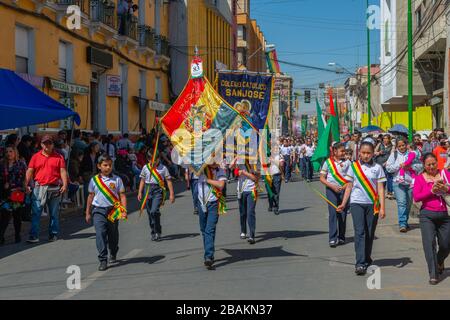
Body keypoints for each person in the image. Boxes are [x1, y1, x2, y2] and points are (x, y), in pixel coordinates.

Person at [338, 141, 386, 276]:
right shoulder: (353, 167)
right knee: (360, 232)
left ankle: (366, 257)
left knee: (370, 232)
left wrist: (382, 208)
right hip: (356, 203)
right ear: (359, 153)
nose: (366, 155)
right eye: (363, 153)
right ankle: (359, 263)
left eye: (368, 153)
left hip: (372, 204)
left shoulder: (378, 168)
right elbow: (348, 186)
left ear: (373, 154)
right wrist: (343, 203)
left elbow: (381, 188)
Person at [413, 153, 450, 285]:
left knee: (446, 244)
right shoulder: (420, 178)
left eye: (434, 163)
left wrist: (446, 188)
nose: (432, 166)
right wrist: (432, 190)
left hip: (445, 215)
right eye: (428, 165)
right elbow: (417, 197)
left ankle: (440, 260)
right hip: (427, 215)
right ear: (424, 165)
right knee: (429, 244)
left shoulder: (445, 173)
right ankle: (433, 274)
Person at [85, 155, 127, 271]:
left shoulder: (117, 179)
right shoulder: (94, 180)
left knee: (113, 234)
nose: (108, 167)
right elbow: (90, 196)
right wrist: (87, 212)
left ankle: (113, 251)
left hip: (113, 210)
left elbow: (122, 195)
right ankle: (103, 259)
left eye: (110, 165)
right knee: (100, 233)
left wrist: (123, 211)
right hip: (98, 210)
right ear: (99, 166)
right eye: (105, 165)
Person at [25, 135, 68, 243]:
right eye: (45, 143)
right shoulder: (35, 156)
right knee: (36, 213)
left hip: (54, 188)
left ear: (53, 144)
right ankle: (34, 235)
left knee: (54, 213)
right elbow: (30, 170)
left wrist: (65, 184)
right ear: (41, 144)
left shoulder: (59, 157)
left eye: (49, 143)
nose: (47, 145)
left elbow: (63, 171)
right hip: (39, 187)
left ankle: (53, 234)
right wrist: (25, 184)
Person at [138, 149, 175, 241]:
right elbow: (142, 180)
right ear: (148, 159)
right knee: (150, 213)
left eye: (155, 159)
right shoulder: (145, 168)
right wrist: (139, 192)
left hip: (158, 190)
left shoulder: (163, 168)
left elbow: (168, 181)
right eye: (150, 159)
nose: (153, 162)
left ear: (159, 159)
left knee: (154, 211)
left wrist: (171, 194)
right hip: (147, 190)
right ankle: (153, 231)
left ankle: (158, 231)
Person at [320, 142, 350, 248]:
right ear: (335, 151)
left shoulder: (348, 163)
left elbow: (351, 178)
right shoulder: (328, 162)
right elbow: (322, 178)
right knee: (333, 213)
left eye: (344, 151)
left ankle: (341, 236)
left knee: (342, 214)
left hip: (344, 190)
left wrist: (346, 186)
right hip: (331, 190)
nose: (343, 153)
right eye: (341, 151)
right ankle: (332, 238)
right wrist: (332, 186)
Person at [197, 163, 227, 269]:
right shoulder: (201, 169)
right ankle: (210, 252)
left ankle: (208, 256)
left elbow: (221, 185)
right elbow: (188, 166)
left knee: (210, 229)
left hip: (213, 203)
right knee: (204, 230)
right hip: (201, 203)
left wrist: (207, 180)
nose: (214, 162)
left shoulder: (220, 171)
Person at [386, 138, 415, 233]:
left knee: (408, 204)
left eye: (403, 145)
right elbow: (389, 168)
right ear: (397, 147)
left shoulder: (412, 154)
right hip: (398, 183)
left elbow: (420, 166)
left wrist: (410, 166)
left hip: (410, 183)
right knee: (402, 203)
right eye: (399, 146)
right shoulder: (393, 155)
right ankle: (402, 223)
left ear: (406, 145)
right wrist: (399, 165)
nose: (402, 147)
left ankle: (405, 221)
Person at [0, 146, 27, 245]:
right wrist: (4, 183)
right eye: (7, 152)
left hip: (17, 193)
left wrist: (26, 188)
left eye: (11, 151)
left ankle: (17, 235)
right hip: (5, 194)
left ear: (15, 153)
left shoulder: (21, 164)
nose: (8, 153)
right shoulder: (2, 164)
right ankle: (1, 237)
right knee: (5, 216)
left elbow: (25, 178)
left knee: (17, 215)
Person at [232, 158, 260, 244]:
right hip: (241, 191)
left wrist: (244, 172)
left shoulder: (254, 163)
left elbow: (255, 178)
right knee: (242, 212)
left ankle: (252, 235)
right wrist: (236, 159)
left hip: (251, 190)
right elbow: (232, 169)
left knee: (250, 212)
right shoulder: (239, 162)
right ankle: (243, 231)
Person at [375, 134, 394, 199]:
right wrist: (378, 152)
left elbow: (392, 155)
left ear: (389, 139)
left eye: (386, 138)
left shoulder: (392, 146)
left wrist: (387, 162)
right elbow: (374, 152)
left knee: (388, 178)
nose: (385, 140)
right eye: (384, 138)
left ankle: (389, 192)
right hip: (379, 162)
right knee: (380, 178)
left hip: (387, 163)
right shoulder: (380, 144)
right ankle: (381, 191)